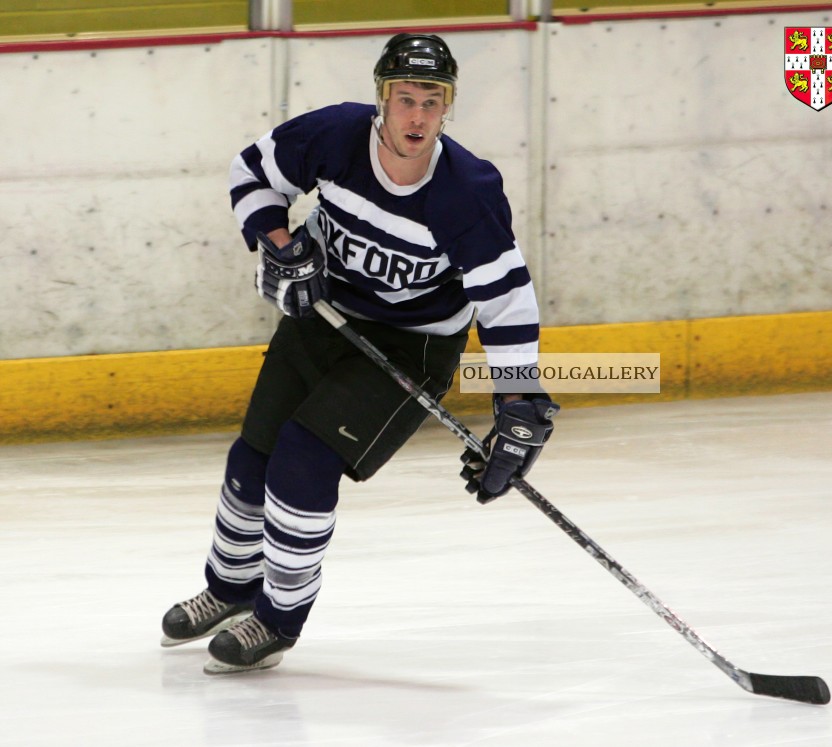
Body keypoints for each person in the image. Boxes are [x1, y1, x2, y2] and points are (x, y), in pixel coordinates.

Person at [160, 33, 558, 674]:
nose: (418, 116)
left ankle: (277, 621)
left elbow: (506, 301)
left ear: (448, 105)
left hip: (415, 344)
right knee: (252, 455)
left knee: (301, 463)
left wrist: (519, 402)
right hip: (324, 315)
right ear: (382, 99)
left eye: (433, 100)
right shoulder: (336, 137)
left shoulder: (468, 191)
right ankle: (231, 589)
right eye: (406, 99)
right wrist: (284, 244)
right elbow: (251, 174)